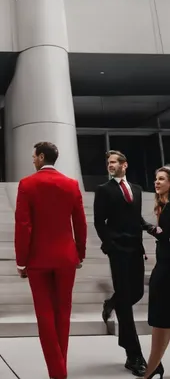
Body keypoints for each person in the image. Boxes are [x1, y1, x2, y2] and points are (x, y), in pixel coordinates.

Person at [15, 142, 87, 379]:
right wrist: (80, 253)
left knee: (44, 316)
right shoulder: (72, 184)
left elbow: (24, 226)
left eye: (34, 156)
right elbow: (80, 223)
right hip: (66, 257)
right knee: (63, 314)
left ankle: (58, 373)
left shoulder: (27, 184)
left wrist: (21, 261)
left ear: (42, 156)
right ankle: (60, 369)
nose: (32, 160)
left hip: (37, 258)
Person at [94, 150, 156, 378]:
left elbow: (135, 218)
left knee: (136, 293)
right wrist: (109, 246)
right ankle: (134, 355)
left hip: (136, 249)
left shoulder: (137, 189)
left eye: (113, 162)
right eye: (108, 162)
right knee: (126, 304)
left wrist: (150, 228)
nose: (110, 165)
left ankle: (111, 303)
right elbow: (99, 221)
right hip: (118, 250)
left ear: (124, 165)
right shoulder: (103, 190)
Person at [143, 166, 170, 379]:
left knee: (161, 322)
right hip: (163, 269)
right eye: (155, 179)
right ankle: (154, 367)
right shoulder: (164, 206)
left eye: (161, 179)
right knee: (161, 322)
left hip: (167, 272)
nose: (157, 182)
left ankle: (151, 371)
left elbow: (165, 235)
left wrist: (146, 227)